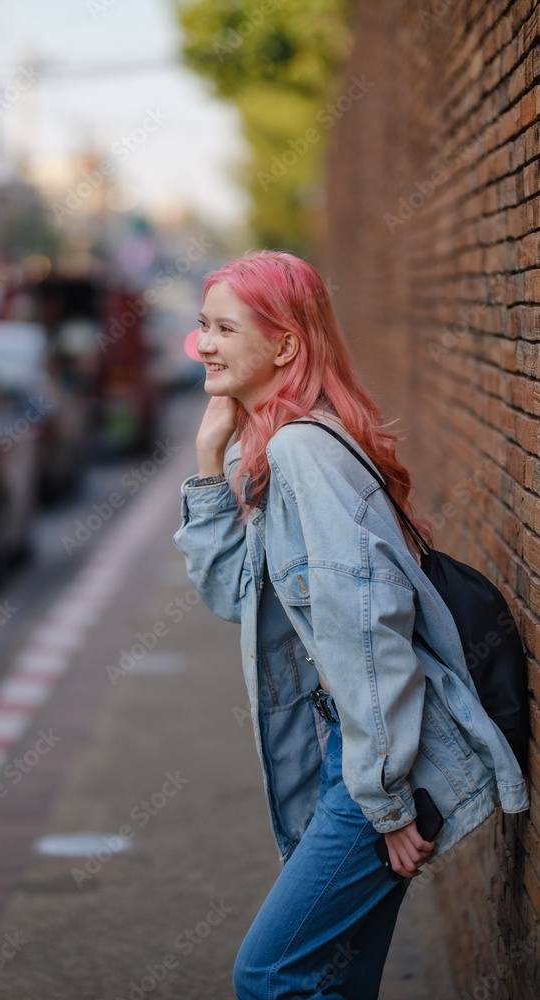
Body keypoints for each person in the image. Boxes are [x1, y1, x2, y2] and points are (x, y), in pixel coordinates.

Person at [172, 249, 529, 1000]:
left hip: (374, 759)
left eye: (224, 328)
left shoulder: (302, 453)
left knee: (270, 974)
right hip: (368, 750)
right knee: (333, 980)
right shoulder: (283, 442)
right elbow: (234, 596)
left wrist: (384, 803)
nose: (202, 343)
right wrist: (208, 459)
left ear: (284, 345)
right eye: (202, 325)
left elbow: (365, 633)